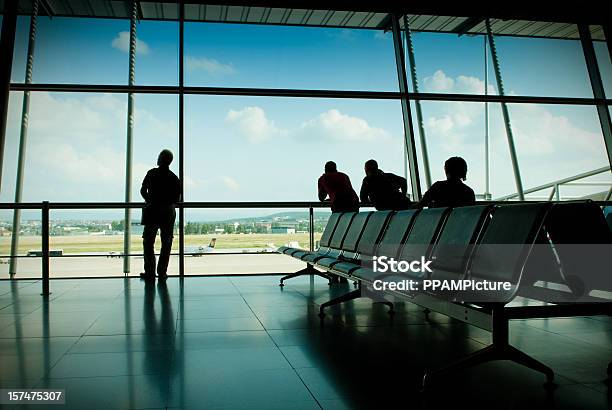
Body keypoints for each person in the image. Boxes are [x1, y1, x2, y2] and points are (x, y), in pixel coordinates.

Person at [140, 149, 181, 281]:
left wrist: (149, 201)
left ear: (161, 159)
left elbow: (142, 190)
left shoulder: (151, 173)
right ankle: (162, 272)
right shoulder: (174, 178)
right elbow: (177, 199)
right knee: (166, 242)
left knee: (148, 242)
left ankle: (150, 271)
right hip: (168, 213)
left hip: (152, 211)